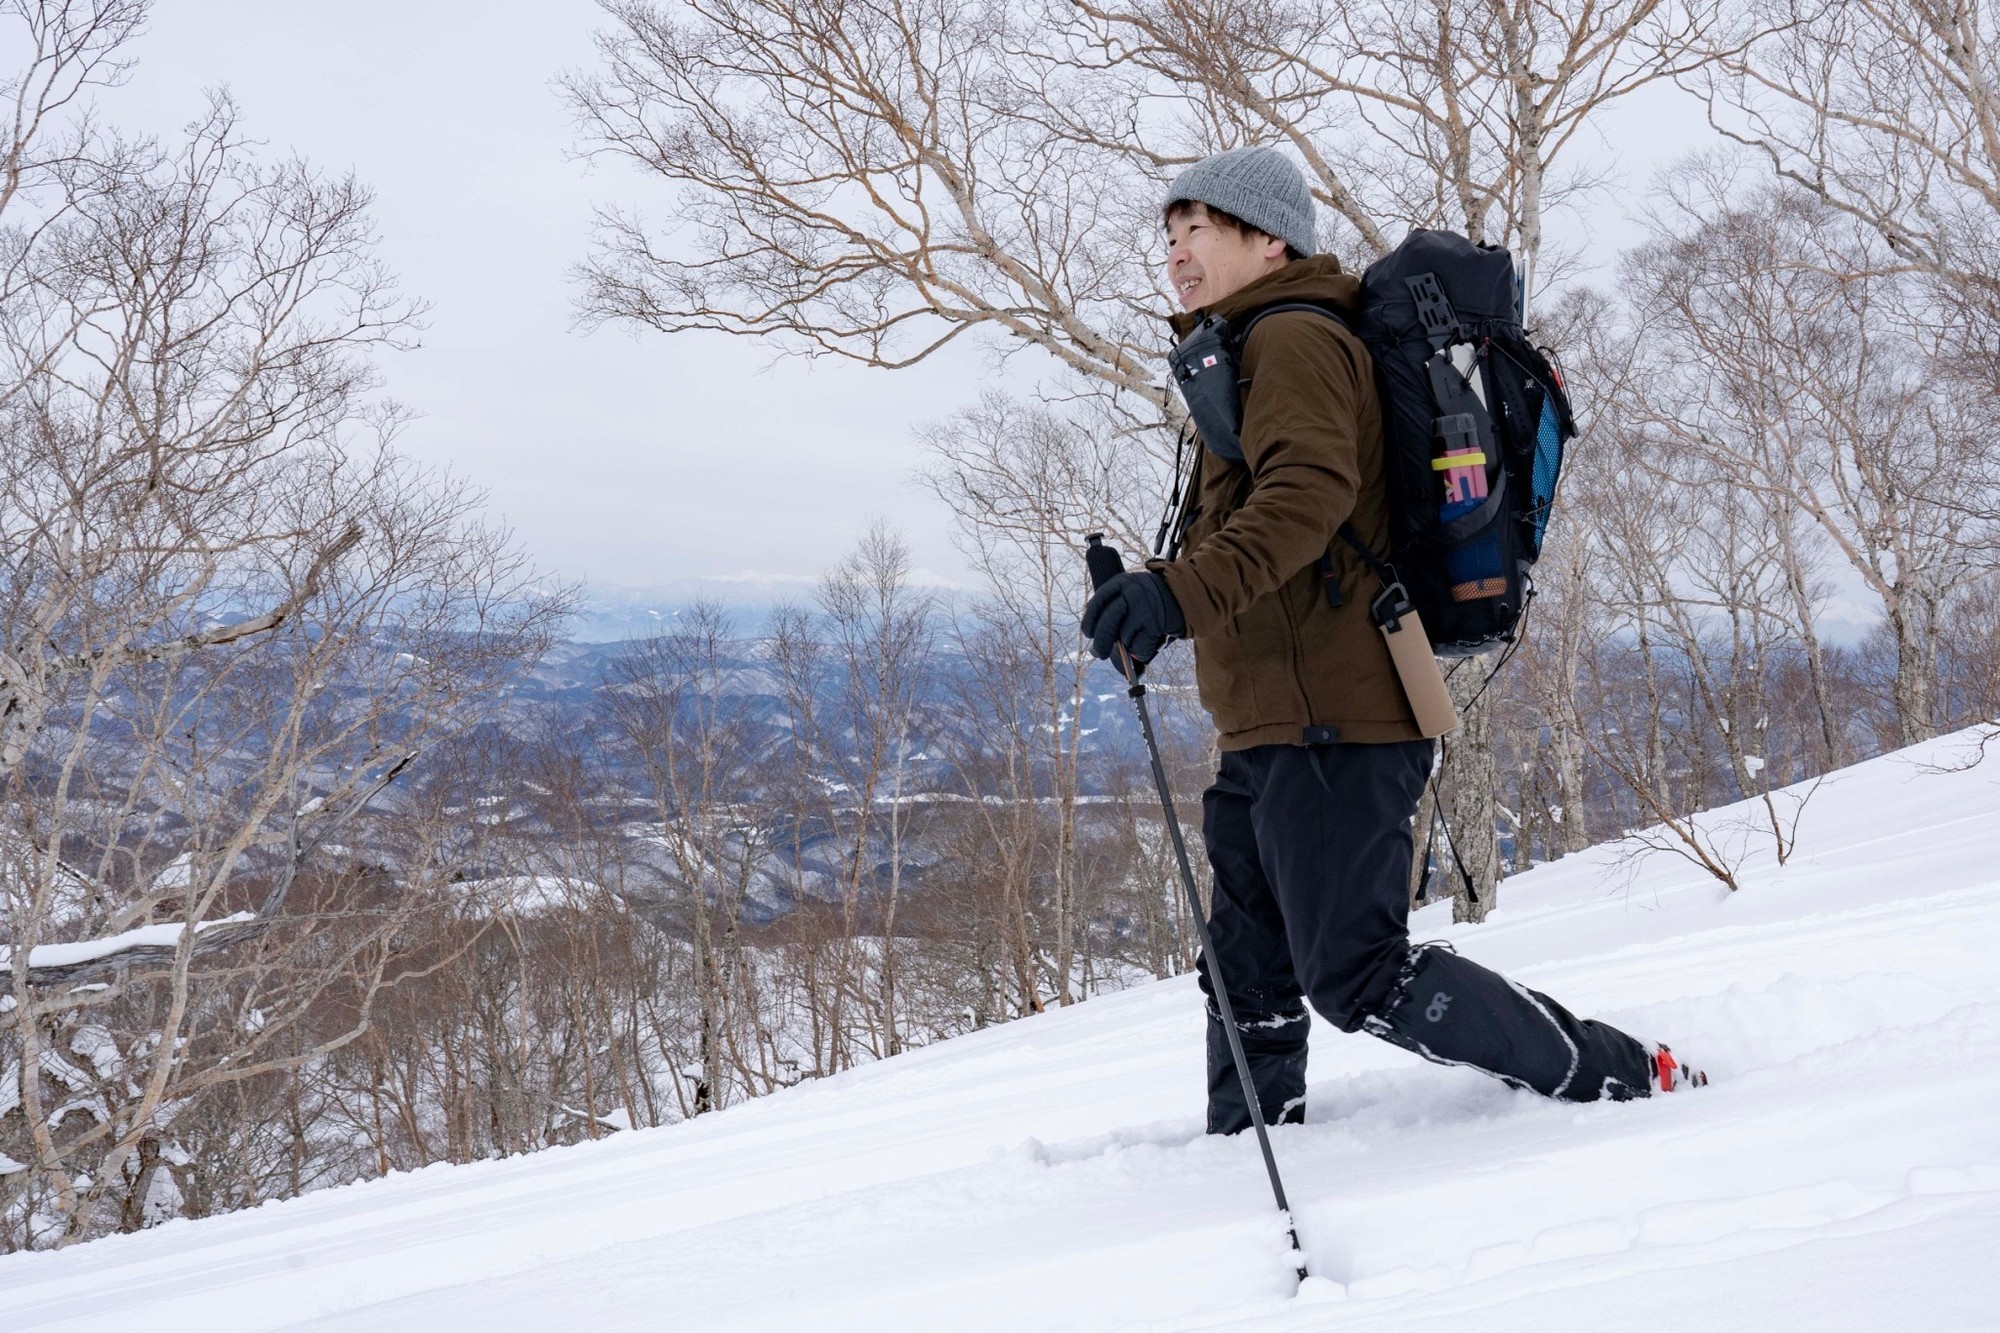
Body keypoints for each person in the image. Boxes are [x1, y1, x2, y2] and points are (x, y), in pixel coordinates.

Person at [1081, 146, 1703, 1134]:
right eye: (1167, 235)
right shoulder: (1240, 347)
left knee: (1357, 974)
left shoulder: (1291, 337)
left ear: (1265, 235)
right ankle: (1241, 1147)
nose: (1174, 252)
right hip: (1271, 721)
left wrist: (1179, 596)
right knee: (1245, 968)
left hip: (1342, 715)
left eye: (1195, 229)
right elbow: (1261, 523)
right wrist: (1152, 588)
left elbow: (1307, 498)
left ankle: (1617, 1074)